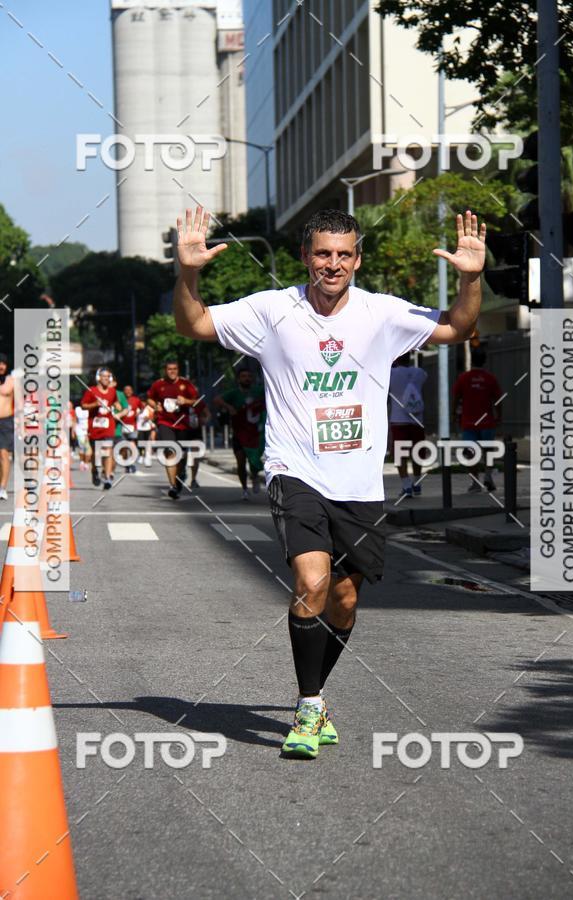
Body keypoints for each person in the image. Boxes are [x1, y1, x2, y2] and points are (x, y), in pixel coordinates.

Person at [174, 204, 485, 759]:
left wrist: (471, 278)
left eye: (343, 254)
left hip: (360, 484)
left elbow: (459, 326)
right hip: (294, 470)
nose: (333, 264)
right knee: (312, 582)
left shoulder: (382, 313)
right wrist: (188, 274)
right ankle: (309, 703)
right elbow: (194, 324)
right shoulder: (272, 311)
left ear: (358, 259)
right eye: (322, 253)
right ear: (305, 257)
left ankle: (318, 696)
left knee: (343, 600)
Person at [452, 347, 502, 492]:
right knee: (488, 451)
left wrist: (453, 414)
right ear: (484, 361)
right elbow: (498, 399)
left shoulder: (463, 378)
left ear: (472, 360)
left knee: (470, 453)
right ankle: (488, 477)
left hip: (469, 423)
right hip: (487, 422)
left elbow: (456, 398)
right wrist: (499, 415)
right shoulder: (490, 378)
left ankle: (475, 482)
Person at [147, 359, 198, 499]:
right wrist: (155, 405)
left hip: (182, 424)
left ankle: (180, 475)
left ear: (178, 370)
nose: (172, 371)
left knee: (181, 456)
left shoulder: (185, 384)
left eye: (175, 369)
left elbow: (197, 401)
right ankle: (173, 486)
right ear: (165, 370)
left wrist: (186, 401)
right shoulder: (159, 384)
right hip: (165, 422)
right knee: (170, 451)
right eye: (169, 369)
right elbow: (150, 398)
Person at [214, 368, 266, 500]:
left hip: (256, 434)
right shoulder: (233, 393)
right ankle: (244, 488)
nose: (246, 378)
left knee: (254, 460)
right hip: (239, 433)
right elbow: (217, 400)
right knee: (241, 462)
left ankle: (254, 476)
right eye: (243, 376)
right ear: (238, 379)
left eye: (249, 376)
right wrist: (229, 407)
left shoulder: (258, 391)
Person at [388, 353, 428, 498]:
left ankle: (406, 485)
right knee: (417, 452)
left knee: (400, 454)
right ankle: (417, 483)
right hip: (417, 419)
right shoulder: (418, 373)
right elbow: (424, 375)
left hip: (398, 419)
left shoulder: (391, 373)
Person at [80, 368, 121, 488]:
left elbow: (115, 402)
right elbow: (83, 405)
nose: (106, 379)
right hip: (95, 426)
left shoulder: (112, 391)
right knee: (95, 453)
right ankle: (94, 471)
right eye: (104, 376)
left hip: (108, 425)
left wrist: (117, 405)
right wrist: (94, 404)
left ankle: (107, 477)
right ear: (98, 378)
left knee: (108, 450)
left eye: (108, 377)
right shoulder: (91, 391)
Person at [185, 392, 211, 488]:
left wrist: (205, 419)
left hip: (196, 431)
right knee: (182, 455)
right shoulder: (181, 401)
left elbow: (208, 414)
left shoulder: (199, 403)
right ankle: (182, 472)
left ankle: (193, 479)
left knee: (195, 455)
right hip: (182, 431)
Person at [118, 384, 144, 474]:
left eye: (130, 390)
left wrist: (139, 413)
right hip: (121, 426)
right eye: (126, 390)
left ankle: (132, 463)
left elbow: (142, 407)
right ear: (123, 391)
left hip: (132, 426)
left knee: (132, 445)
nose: (128, 391)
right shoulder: (120, 400)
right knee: (124, 448)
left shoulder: (136, 400)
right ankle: (126, 464)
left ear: (132, 391)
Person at [0, 354, 14, 500]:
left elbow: (20, 405)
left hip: (6, 422)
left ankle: (2, 487)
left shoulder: (12, 381)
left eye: (3, 363)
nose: (1, 366)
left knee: (4, 454)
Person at [73, 403, 92, 472]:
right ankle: (82, 462)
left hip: (88, 430)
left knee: (87, 447)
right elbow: (74, 420)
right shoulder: (77, 409)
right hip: (79, 431)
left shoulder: (90, 408)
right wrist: (73, 430)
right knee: (82, 447)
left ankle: (86, 463)